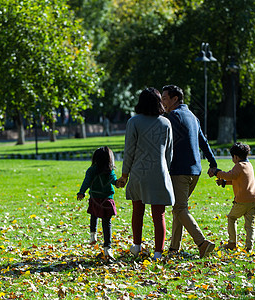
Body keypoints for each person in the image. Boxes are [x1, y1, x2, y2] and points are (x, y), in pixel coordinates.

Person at [117, 87, 175, 260]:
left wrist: (124, 175)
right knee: (159, 214)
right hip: (159, 172)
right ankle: (158, 252)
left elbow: (129, 151)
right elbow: (169, 153)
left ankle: (136, 245)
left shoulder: (133, 122)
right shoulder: (166, 123)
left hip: (138, 172)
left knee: (138, 211)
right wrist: (166, 170)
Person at [161, 85, 217, 258]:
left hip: (180, 170)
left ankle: (202, 243)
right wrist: (212, 162)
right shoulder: (192, 116)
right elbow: (203, 141)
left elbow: (167, 143)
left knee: (179, 208)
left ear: (175, 98)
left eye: (165, 98)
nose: (162, 102)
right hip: (195, 171)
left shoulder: (174, 116)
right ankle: (173, 248)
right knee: (179, 208)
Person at [213, 142, 255, 252]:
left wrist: (217, 172)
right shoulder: (249, 165)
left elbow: (231, 175)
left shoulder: (239, 165)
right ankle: (249, 247)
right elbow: (239, 180)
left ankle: (232, 243)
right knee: (249, 225)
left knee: (232, 218)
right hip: (254, 200)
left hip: (242, 201)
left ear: (236, 157)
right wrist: (225, 182)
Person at [77, 146, 119, 259]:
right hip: (107, 200)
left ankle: (93, 235)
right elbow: (114, 180)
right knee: (107, 224)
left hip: (95, 199)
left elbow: (86, 181)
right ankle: (107, 248)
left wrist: (81, 192)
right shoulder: (110, 171)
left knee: (94, 215)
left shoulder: (91, 170)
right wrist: (118, 183)